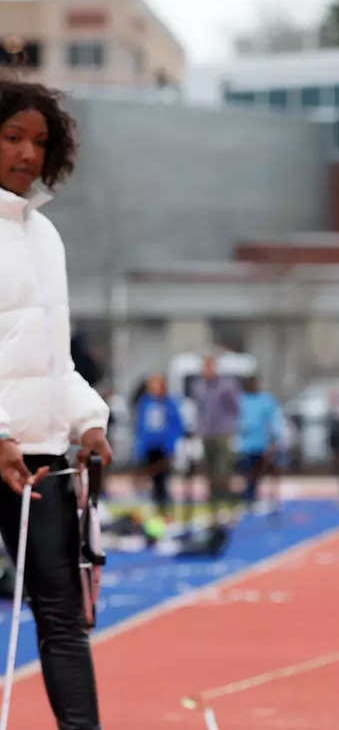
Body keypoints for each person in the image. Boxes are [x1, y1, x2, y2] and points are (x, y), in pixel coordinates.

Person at [0, 77, 113, 729]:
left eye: (40, 141)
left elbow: (54, 360)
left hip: (40, 463)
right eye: (12, 137)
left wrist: (89, 419)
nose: (27, 153)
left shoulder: (46, 237)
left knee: (63, 616)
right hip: (1, 451)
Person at [191, 353, 240, 525]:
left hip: (222, 434)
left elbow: (235, 408)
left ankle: (230, 508)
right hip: (206, 434)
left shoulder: (226, 386)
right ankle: (214, 511)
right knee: (209, 475)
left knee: (223, 473)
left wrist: (230, 427)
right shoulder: (199, 387)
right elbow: (199, 410)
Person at [130, 373, 185, 522]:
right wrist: (140, 448)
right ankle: (153, 512)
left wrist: (171, 447)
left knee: (163, 483)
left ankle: (166, 513)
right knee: (150, 483)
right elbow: (141, 427)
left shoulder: (170, 404)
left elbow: (176, 427)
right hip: (149, 449)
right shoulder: (145, 403)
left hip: (164, 449)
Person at [235, 373, 284, 510]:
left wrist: (275, 440)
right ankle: (248, 496)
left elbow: (274, 421)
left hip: (262, 444)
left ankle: (263, 497)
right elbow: (235, 420)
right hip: (245, 445)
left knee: (261, 472)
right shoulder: (240, 400)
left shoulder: (266, 400)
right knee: (247, 473)